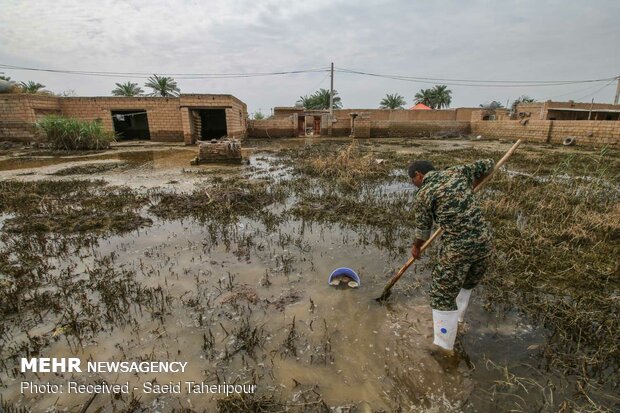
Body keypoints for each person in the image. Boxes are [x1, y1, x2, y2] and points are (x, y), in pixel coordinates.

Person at [408, 158, 495, 355]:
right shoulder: (457, 172)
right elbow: (489, 163)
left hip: (459, 248)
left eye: (412, 181)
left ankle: (444, 350)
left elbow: (422, 231)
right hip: (484, 243)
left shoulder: (424, 194)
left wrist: (416, 248)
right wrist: (470, 185)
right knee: (466, 283)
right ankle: (459, 322)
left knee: (441, 296)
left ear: (419, 176)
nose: (413, 185)